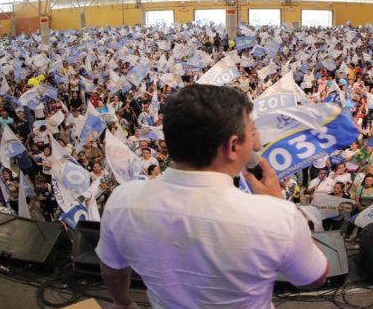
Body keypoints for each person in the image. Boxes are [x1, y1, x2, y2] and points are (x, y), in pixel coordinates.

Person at [96, 85, 328, 308]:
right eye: (252, 133)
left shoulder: (122, 201)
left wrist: (123, 302)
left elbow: (111, 269)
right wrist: (278, 202)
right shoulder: (277, 216)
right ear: (233, 146)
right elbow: (313, 277)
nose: (256, 143)